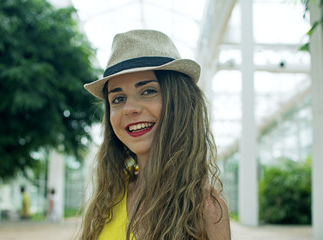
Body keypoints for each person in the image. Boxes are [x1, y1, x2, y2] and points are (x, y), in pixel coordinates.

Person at [79, 29, 231, 240]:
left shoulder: (206, 208)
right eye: (118, 99)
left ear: (179, 101)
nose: (129, 108)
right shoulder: (107, 197)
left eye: (148, 91)